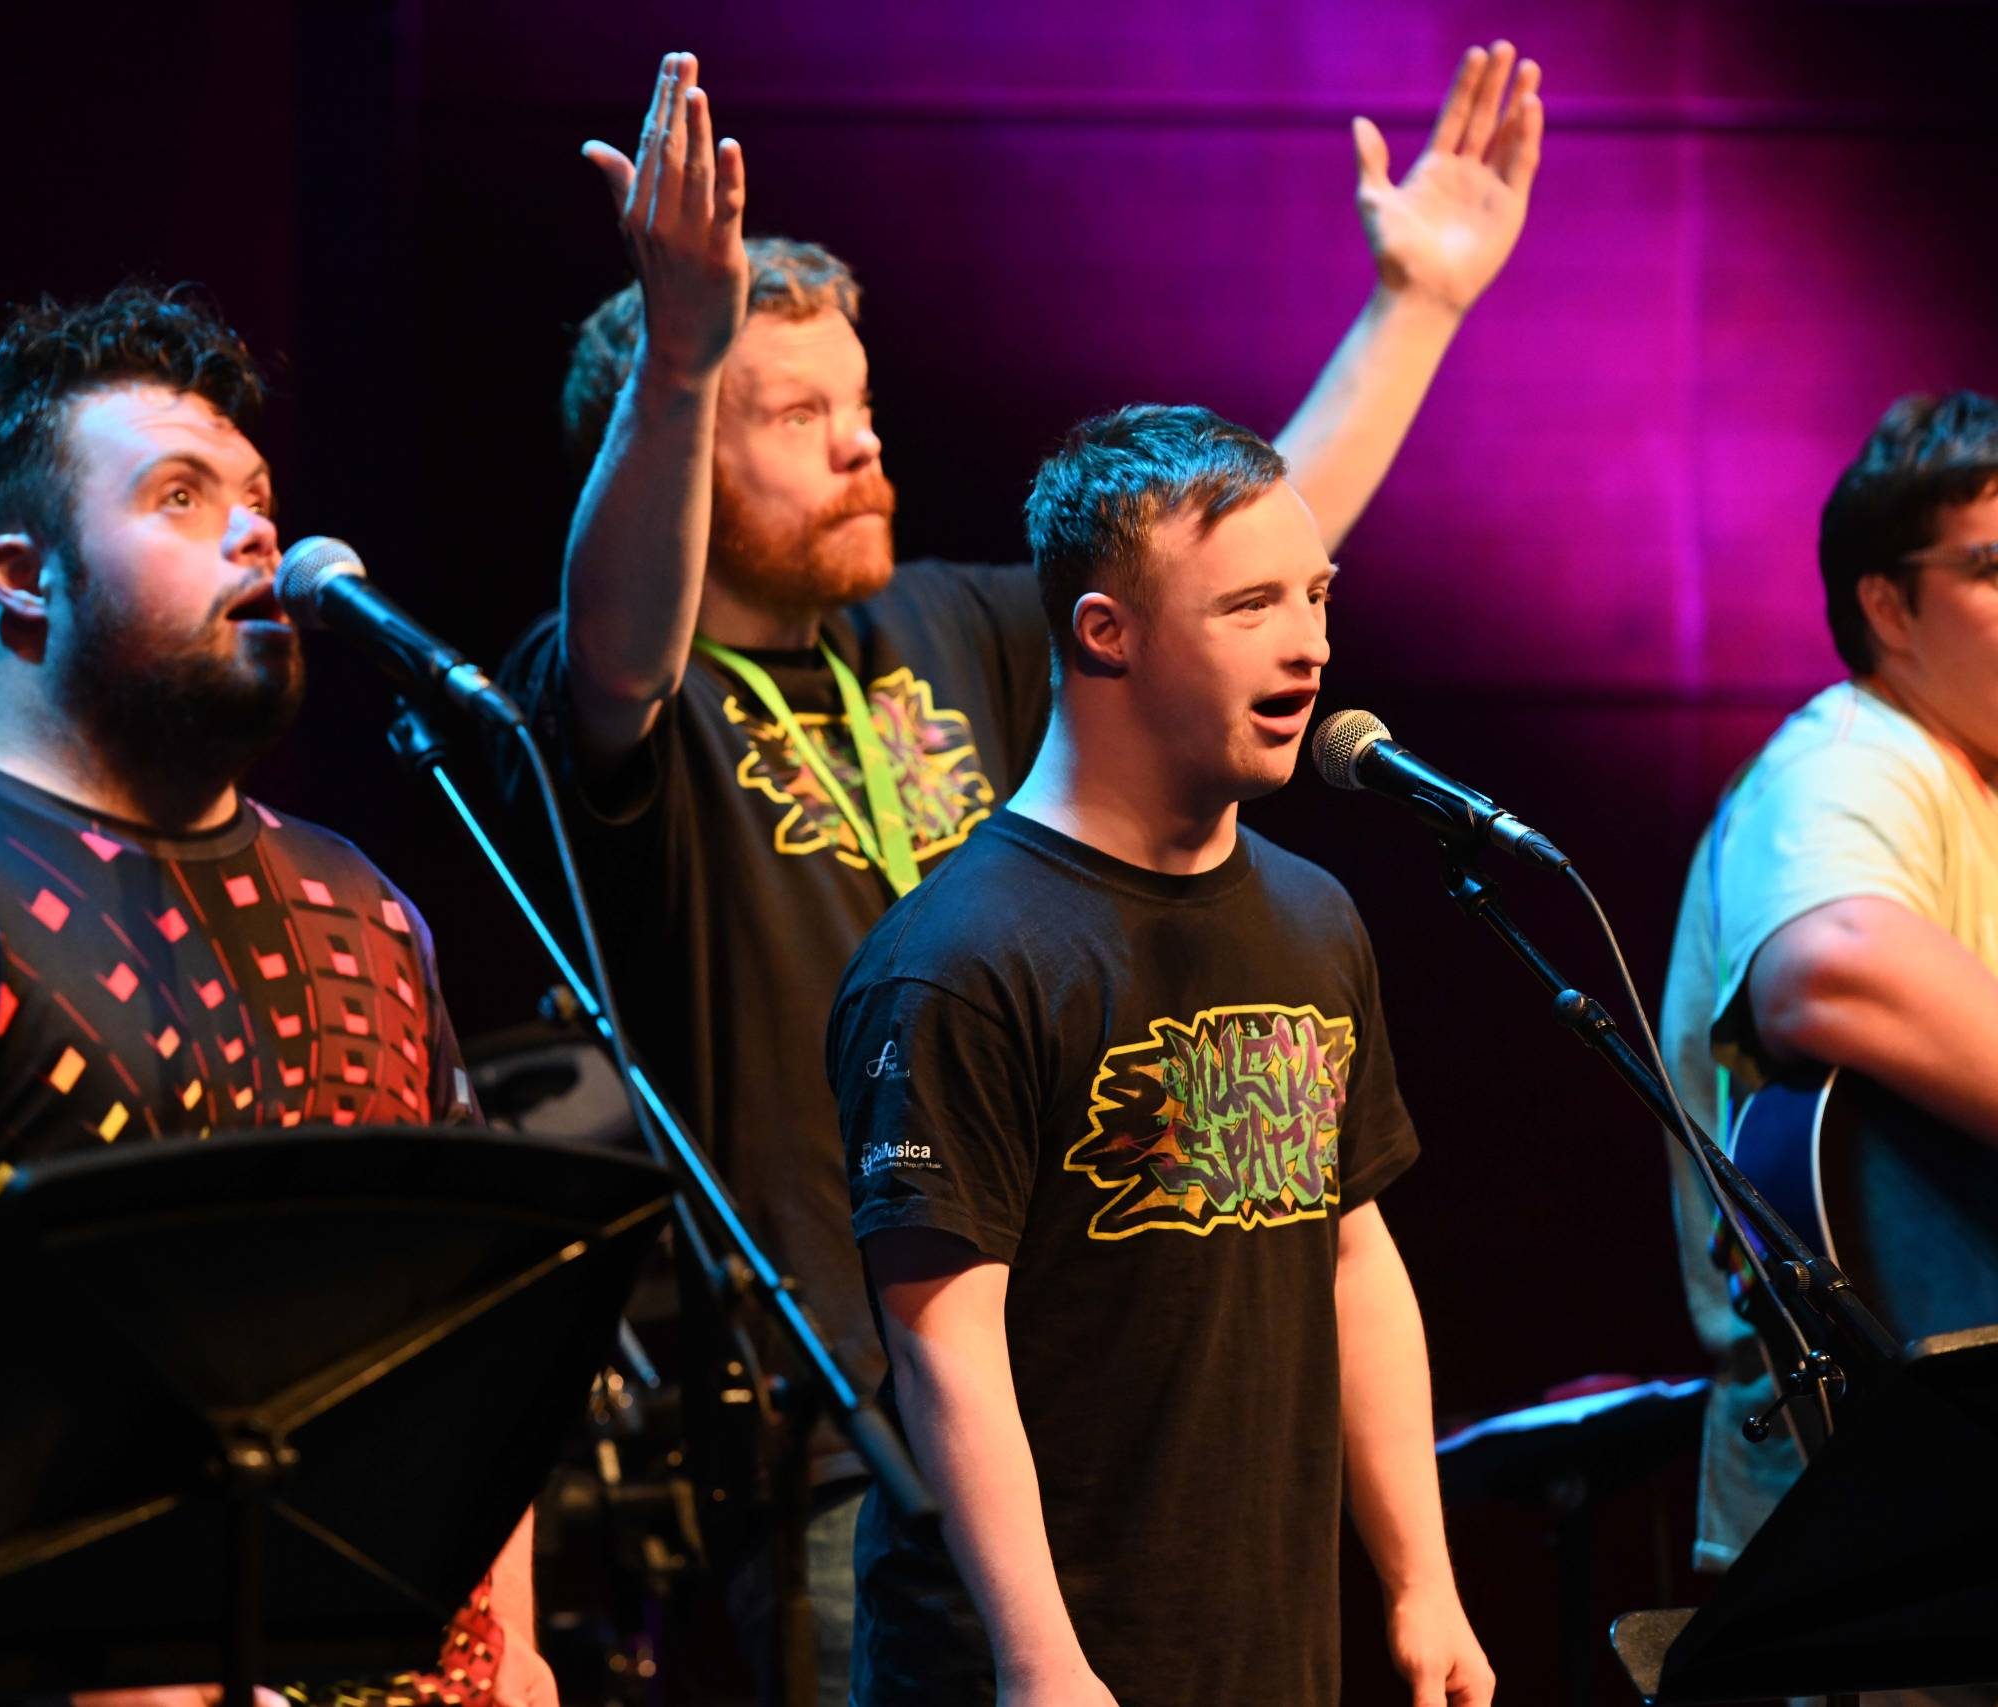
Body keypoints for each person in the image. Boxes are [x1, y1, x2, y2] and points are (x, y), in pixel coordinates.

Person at [497, 40, 1541, 1700]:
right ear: (673, 435)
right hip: (861, 1423)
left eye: (860, 405)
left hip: (1093, 1366)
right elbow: (622, 643)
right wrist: (682, 361)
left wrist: (1414, 307)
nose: (859, 446)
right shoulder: (633, 691)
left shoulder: (952, 625)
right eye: (797, 415)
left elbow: (1220, 573)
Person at [0, 286, 555, 1707]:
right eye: (179, 495)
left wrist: (513, 1641)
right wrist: (142, 1676)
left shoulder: (362, 904)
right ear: (23, 577)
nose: (256, 533)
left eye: (259, 497)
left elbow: (459, 1316)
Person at [827, 404, 1484, 1706]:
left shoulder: (1312, 919)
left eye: (1315, 595)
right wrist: (1039, 1660)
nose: (1309, 642)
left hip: (1265, 1655)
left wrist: (1423, 1580)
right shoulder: (958, 959)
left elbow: (1351, 1258)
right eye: (1249, 605)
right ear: (1104, 632)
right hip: (1037, 1669)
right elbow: (944, 1339)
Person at [1658, 393, 1997, 1598]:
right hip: (1865, 1520)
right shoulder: (1852, 759)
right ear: (1889, 606)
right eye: (1992, 568)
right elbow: (1830, 963)